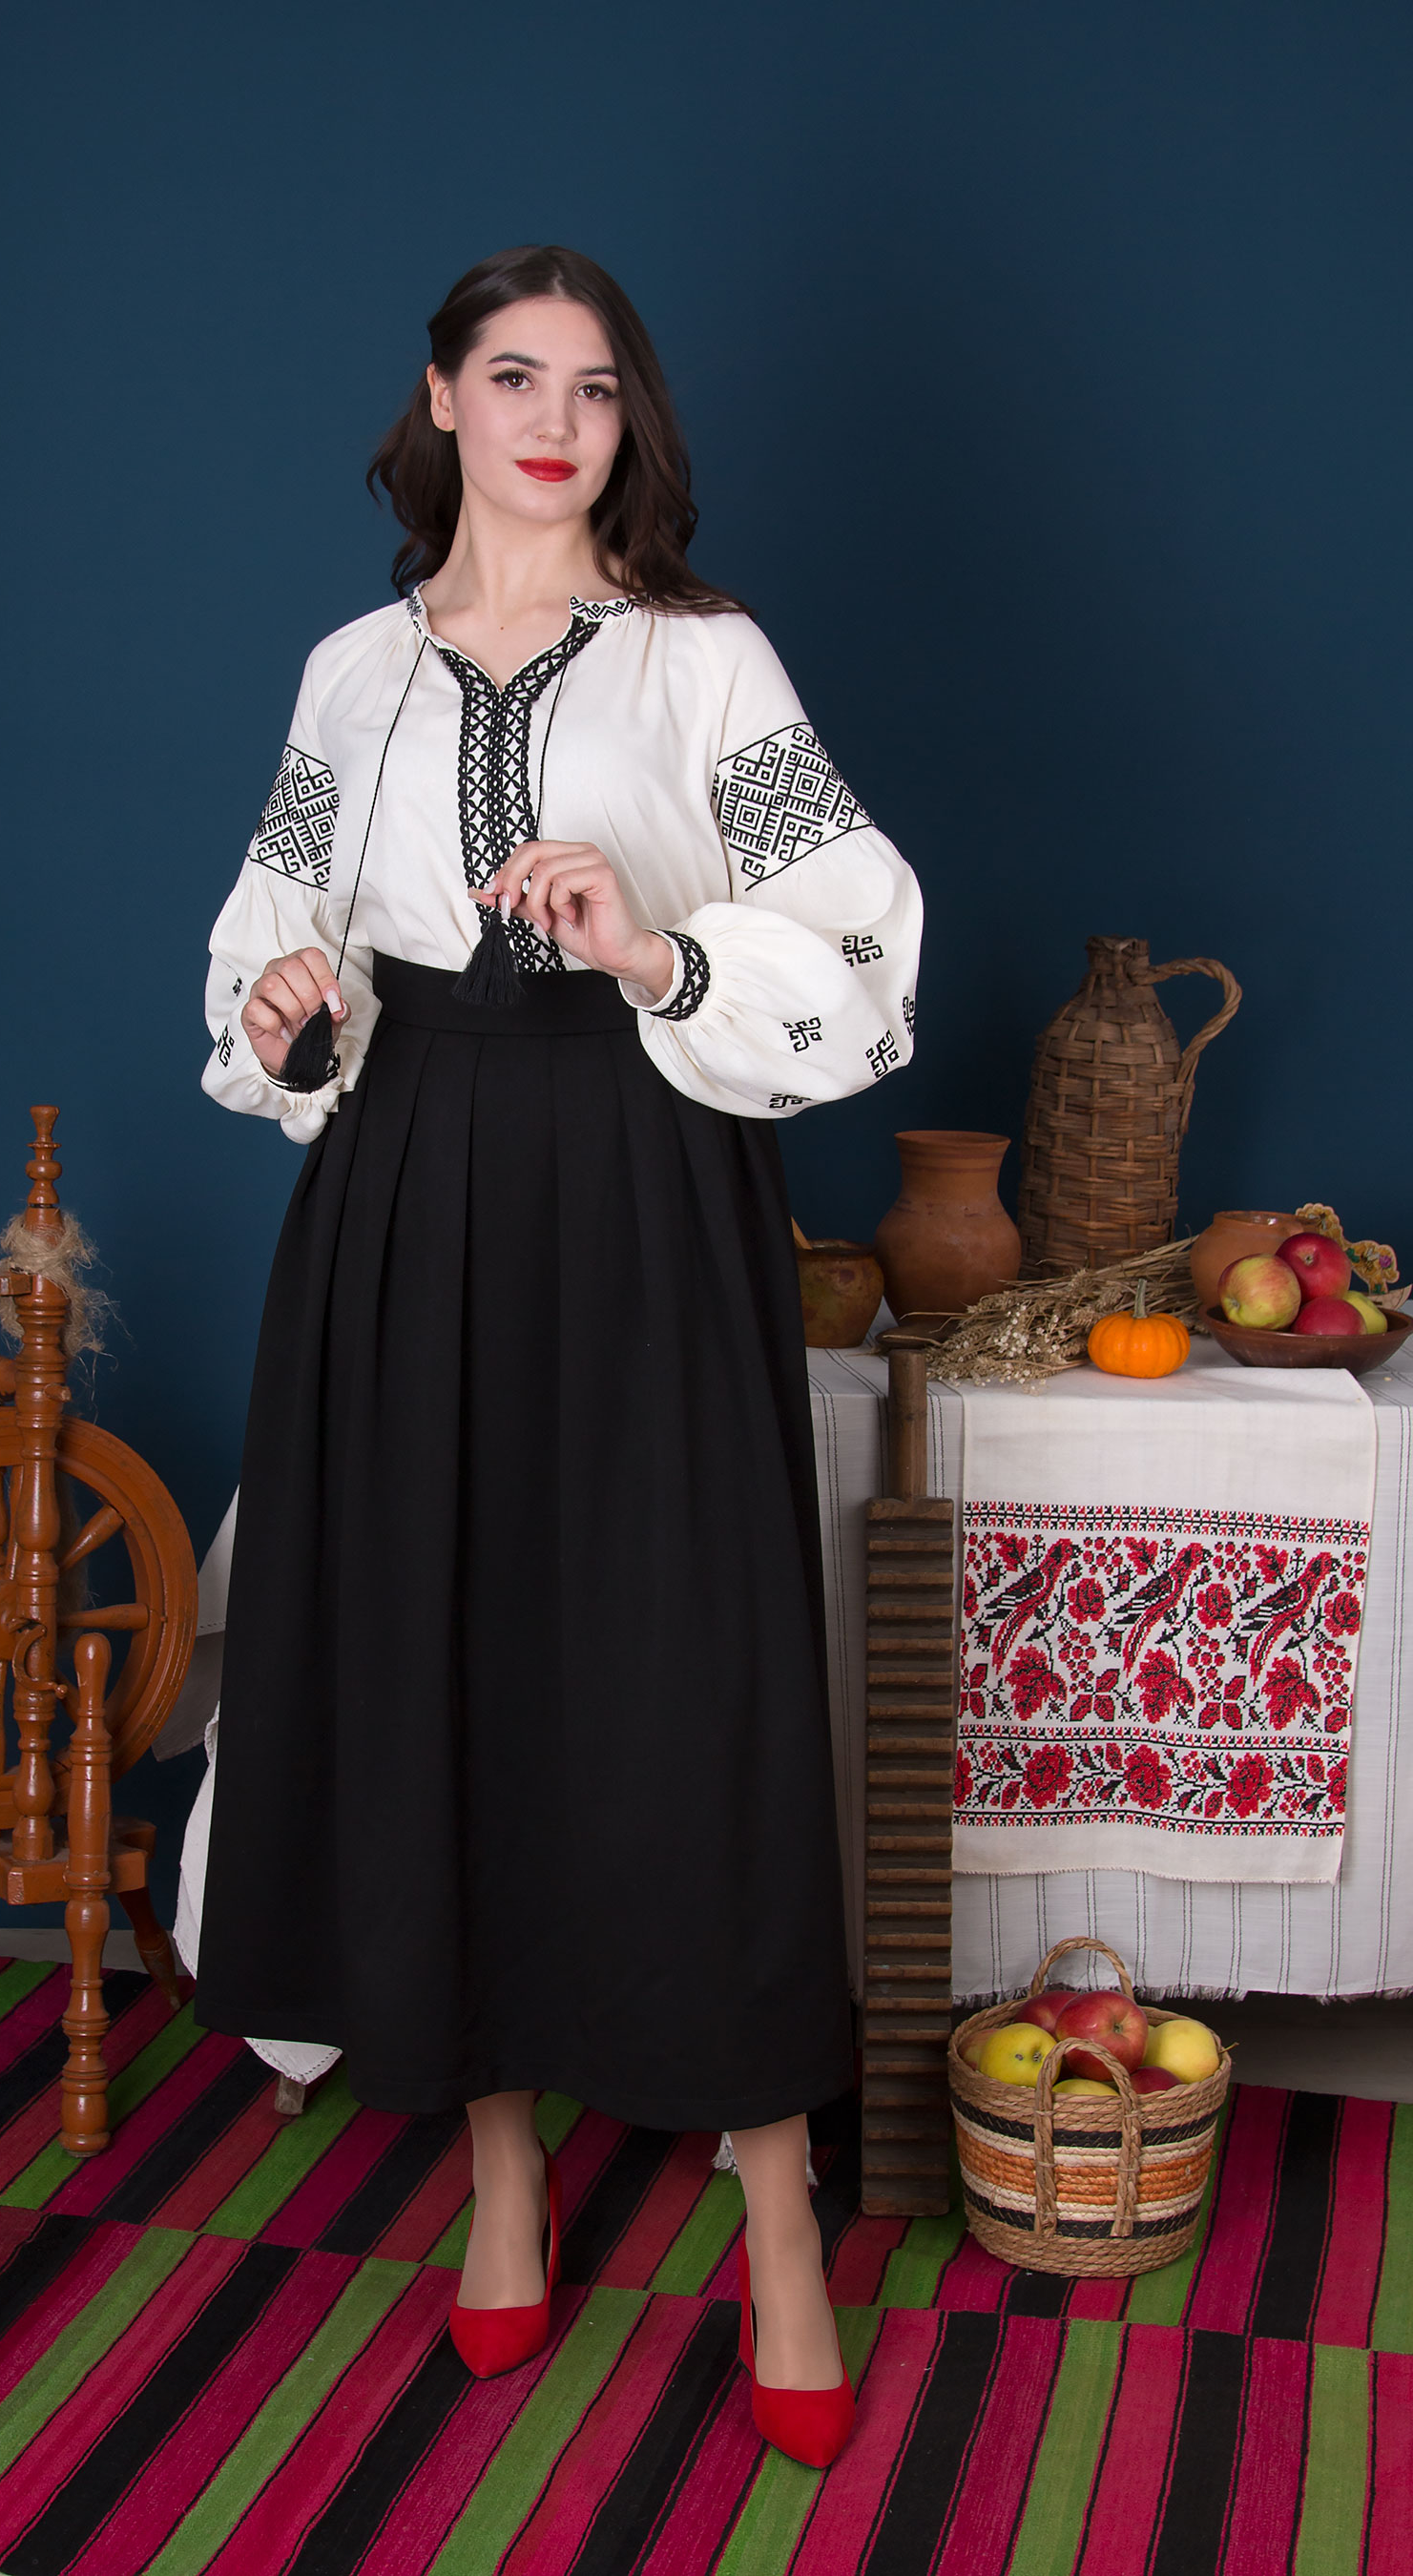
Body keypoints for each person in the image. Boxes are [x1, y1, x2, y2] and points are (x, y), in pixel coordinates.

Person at [195, 244, 920, 2467]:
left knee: (679, 1671)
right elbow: (278, 939)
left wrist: (657, 946)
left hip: (637, 1172)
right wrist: (285, 1018)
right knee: (441, 1659)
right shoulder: (348, 677)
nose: (553, 424)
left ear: (629, 423)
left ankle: (774, 2209)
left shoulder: (706, 662)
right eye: (514, 378)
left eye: (594, 389)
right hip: (405, 1186)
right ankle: (497, 2172)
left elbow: (861, 932)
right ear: (440, 396)